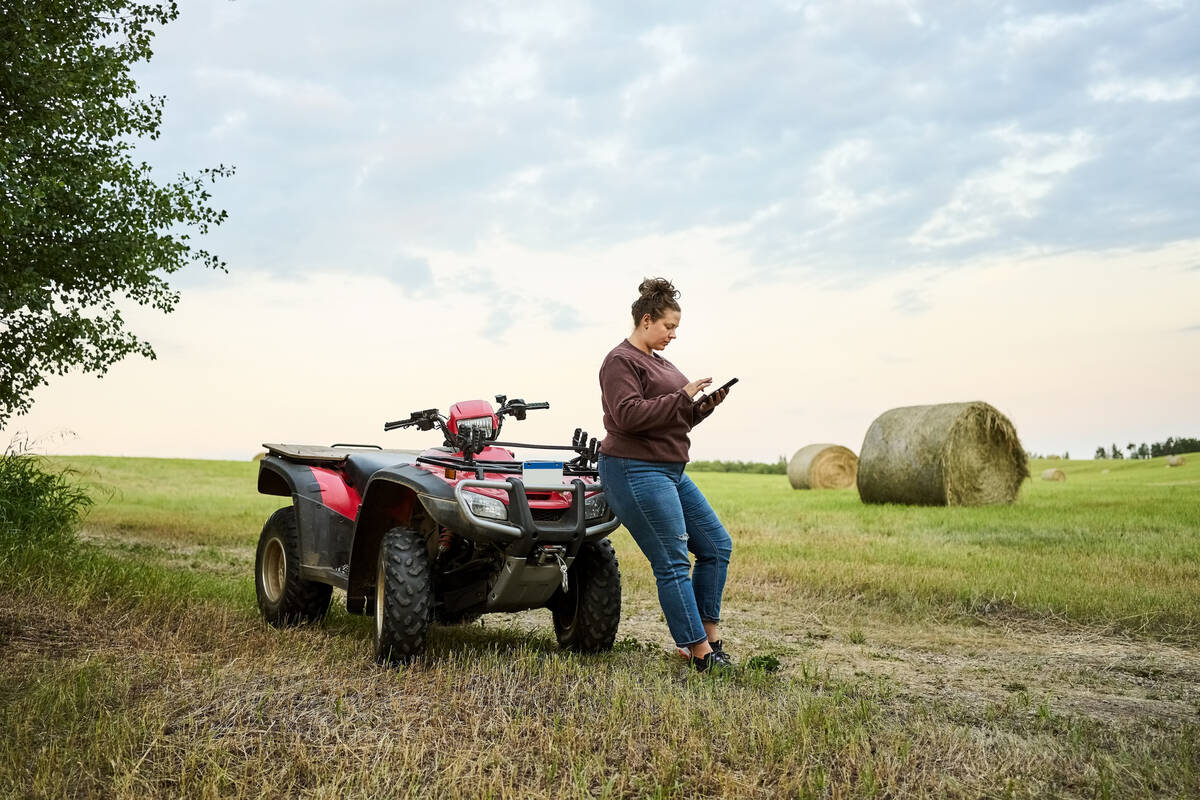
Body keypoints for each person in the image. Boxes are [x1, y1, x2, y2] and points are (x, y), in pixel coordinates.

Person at [597, 277, 735, 673]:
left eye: (676, 328)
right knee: (673, 560)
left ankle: (709, 637)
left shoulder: (661, 362)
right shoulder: (620, 361)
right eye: (668, 327)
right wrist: (681, 397)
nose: (673, 335)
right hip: (633, 468)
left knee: (716, 546)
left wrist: (699, 408)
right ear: (645, 320)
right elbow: (627, 415)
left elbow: (671, 418)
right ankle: (698, 654)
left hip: (671, 468)